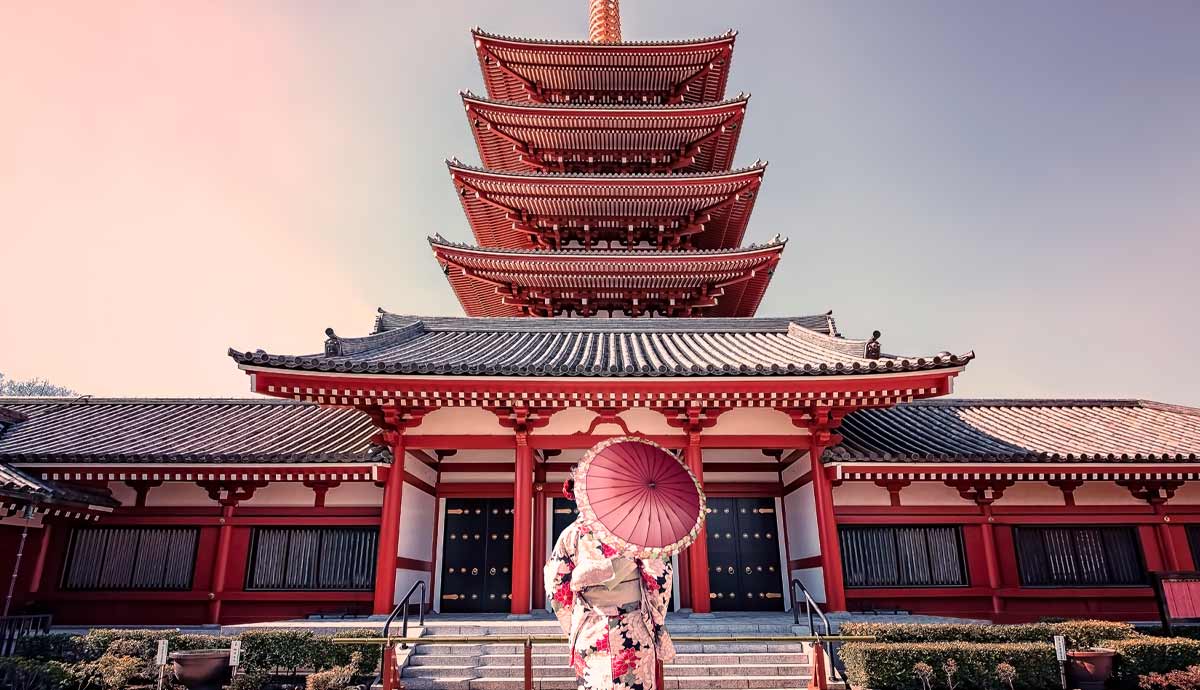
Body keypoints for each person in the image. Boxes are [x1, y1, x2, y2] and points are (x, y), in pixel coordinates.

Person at [544, 476, 675, 690]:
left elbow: (557, 588)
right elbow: (659, 579)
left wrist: (574, 625)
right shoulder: (637, 532)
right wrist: (655, 619)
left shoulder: (569, 536)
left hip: (590, 630)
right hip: (633, 630)